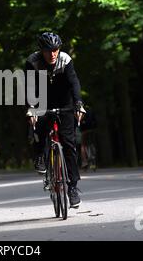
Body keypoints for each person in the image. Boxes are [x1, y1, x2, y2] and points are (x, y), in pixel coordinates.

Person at [25, 32, 86, 208]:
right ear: (41, 51)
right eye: (48, 50)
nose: (52, 54)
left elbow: (74, 82)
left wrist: (79, 104)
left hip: (64, 101)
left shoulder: (65, 60)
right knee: (39, 128)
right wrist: (31, 108)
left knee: (69, 144)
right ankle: (39, 156)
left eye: (55, 50)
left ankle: (73, 188)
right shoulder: (32, 62)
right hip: (41, 100)